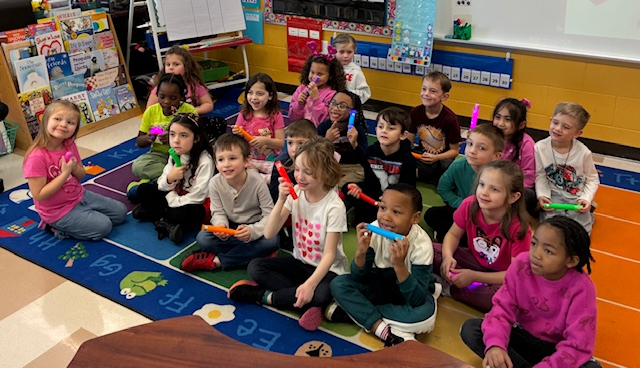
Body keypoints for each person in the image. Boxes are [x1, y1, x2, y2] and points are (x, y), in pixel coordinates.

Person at [228, 137, 349, 332]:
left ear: (326, 173)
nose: (299, 176)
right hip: (300, 263)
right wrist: (281, 199)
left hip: (328, 270)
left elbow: (329, 255)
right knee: (255, 267)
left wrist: (310, 284)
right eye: (298, 169)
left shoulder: (334, 206)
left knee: (321, 293)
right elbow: (269, 233)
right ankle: (308, 301)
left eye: (308, 172)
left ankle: (264, 296)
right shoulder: (296, 193)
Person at [460, 216, 601, 368]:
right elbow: (501, 309)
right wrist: (496, 346)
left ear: (571, 261)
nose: (536, 254)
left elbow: (577, 345)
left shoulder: (582, 288)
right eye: (534, 243)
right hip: (522, 335)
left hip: (556, 349)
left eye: (548, 251)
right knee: (472, 329)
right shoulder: (521, 264)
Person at [329, 184, 437, 347]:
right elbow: (359, 277)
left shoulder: (422, 246)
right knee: (338, 284)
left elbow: (417, 299)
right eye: (383, 208)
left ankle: (356, 312)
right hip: (379, 286)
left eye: (396, 212)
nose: (385, 217)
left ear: (415, 218)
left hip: (405, 295)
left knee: (425, 317)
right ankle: (382, 329)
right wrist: (361, 252)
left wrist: (399, 266)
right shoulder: (374, 231)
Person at [436, 160, 532, 312]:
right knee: (428, 249)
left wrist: (474, 277)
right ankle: (451, 280)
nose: (484, 193)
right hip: (475, 260)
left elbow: (514, 274)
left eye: (494, 189)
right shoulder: (469, 205)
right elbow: (453, 235)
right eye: (482, 184)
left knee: (502, 298)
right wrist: (448, 257)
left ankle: (451, 289)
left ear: (513, 197)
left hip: (500, 276)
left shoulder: (519, 227)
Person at [23, 101, 127, 240]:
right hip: (56, 211)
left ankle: (83, 215)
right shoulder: (36, 156)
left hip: (78, 195)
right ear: (46, 120)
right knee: (104, 226)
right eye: (58, 119)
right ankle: (54, 228)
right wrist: (65, 173)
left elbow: (80, 176)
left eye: (70, 122)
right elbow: (39, 194)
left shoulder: (69, 144)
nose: (63, 125)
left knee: (121, 212)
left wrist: (73, 168)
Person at [180, 134, 279, 271]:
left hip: (253, 226)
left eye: (232, 158)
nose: (226, 164)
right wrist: (221, 225)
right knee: (203, 238)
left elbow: (269, 215)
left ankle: (218, 261)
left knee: (272, 240)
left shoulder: (258, 182)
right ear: (216, 163)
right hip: (230, 228)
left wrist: (252, 231)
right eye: (221, 160)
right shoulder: (215, 183)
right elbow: (218, 212)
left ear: (246, 161)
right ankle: (253, 254)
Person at [131, 113, 214, 244]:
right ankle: (165, 221)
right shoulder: (174, 154)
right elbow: (161, 185)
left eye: (184, 135)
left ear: (196, 138)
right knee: (143, 189)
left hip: (194, 203)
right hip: (175, 196)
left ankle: (158, 216)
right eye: (172, 134)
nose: (176, 140)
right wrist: (171, 177)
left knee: (186, 214)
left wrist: (171, 199)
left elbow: (198, 197)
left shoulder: (205, 160)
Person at [424, 123, 504, 242]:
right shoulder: (458, 165)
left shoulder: (501, 176)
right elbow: (443, 188)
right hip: (460, 210)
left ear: (496, 156)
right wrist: (461, 204)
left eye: (481, 148)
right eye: (470, 144)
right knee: (431, 215)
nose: (472, 151)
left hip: (486, 217)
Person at [129, 74, 198, 196]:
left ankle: (162, 181)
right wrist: (148, 138)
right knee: (138, 166)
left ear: (181, 96)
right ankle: (171, 179)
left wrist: (174, 138)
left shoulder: (189, 111)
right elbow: (139, 141)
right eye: (162, 97)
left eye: (173, 98)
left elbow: (198, 139)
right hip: (159, 155)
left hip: (184, 156)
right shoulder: (151, 111)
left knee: (195, 168)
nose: (166, 101)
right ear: (157, 95)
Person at [535, 102, 599, 234]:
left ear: (577, 133)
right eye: (555, 122)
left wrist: (586, 198)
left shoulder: (583, 152)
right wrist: (543, 195)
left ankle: (589, 214)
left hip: (576, 197)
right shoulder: (539, 148)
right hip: (553, 196)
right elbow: (540, 175)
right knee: (550, 227)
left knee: (581, 231)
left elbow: (592, 179)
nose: (557, 128)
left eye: (566, 127)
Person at [345, 106, 416, 225]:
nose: (384, 131)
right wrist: (358, 187)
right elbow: (368, 177)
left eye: (391, 128)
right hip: (374, 196)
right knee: (348, 187)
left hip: (395, 200)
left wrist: (390, 201)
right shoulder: (371, 152)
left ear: (403, 135)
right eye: (381, 127)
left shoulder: (408, 159)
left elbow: (409, 189)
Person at [408, 71, 461, 184]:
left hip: (442, 159)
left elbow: (454, 151)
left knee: (446, 168)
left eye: (433, 91)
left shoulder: (450, 119)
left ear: (444, 96)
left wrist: (436, 157)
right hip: (422, 154)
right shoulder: (416, 112)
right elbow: (409, 141)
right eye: (424, 89)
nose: (426, 94)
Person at [231, 73, 284, 180]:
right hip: (250, 160)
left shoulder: (276, 115)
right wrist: (238, 134)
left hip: (270, 160)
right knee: (249, 177)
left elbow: (280, 143)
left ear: (270, 96)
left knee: (279, 175)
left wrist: (264, 140)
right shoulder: (244, 114)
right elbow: (237, 141)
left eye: (260, 93)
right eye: (250, 93)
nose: (254, 98)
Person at [491, 97, 536, 214]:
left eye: (508, 119)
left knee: (529, 196)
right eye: (497, 117)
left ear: (521, 125)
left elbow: (529, 175)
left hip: (512, 188)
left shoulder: (526, 144)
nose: (500, 123)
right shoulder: (489, 137)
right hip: (489, 182)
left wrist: (507, 190)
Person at [317, 90, 368, 188]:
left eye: (342, 106)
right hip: (329, 166)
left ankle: (338, 186)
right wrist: (327, 141)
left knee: (363, 171)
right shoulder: (324, 127)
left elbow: (364, 160)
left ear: (353, 112)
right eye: (333, 103)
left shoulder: (357, 130)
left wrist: (355, 144)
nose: (335, 108)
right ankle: (336, 185)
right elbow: (316, 156)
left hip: (350, 167)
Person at [288, 43, 347, 127]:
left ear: (330, 76)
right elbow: (292, 117)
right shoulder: (301, 89)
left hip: (318, 134)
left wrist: (316, 99)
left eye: (320, 74)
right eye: (312, 72)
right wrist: (299, 104)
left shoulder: (332, 95)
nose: (314, 77)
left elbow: (325, 121)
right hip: (301, 132)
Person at [146, 46, 214, 115]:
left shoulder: (194, 85)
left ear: (187, 67)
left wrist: (191, 111)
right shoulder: (160, 87)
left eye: (176, 64)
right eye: (168, 64)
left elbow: (208, 104)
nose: (171, 67)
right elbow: (149, 109)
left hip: (188, 122)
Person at [268, 119, 317, 203]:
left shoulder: (319, 162)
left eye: (301, 143)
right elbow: (274, 196)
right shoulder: (280, 163)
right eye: (290, 143)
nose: (294, 149)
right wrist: (282, 195)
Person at [332, 33, 371, 104]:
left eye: (349, 52)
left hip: (348, 108)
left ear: (354, 52)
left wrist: (348, 94)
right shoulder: (329, 67)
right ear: (334, 51)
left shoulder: (356, 71)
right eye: (341, 52)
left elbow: (365, 94)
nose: (345, 56)